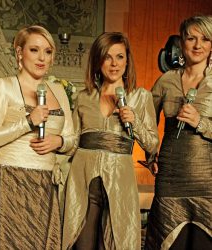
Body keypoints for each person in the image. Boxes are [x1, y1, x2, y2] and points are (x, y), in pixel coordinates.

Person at [0, 25, 75, 249]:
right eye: (34, 50)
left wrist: (59, 142)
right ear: (19, 52)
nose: (42, 58)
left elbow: (72, 138)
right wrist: (27, 122)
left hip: (45, 184)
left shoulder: (58, 91)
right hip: (10, 180)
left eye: (48, 51)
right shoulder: (4, 86)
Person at [62, 32, 159, 250]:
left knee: (116, 243)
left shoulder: (141, 97)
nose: (114, 64)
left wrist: (135, 123)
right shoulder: (83, 97)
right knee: (81, 244)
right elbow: (73, 141)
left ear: (127, 60)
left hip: (120, 185)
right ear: (98, 61)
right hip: (82, 184)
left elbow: (152, 144)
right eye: (107, 57)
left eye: (120, 57)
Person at [144, 15, 212, 250]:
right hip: (170, 179)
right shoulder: (165, 81)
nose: (197, 45)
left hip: (207, 183)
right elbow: (147, 124)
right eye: (191, 38)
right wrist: (151, 154)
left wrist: (200, 121)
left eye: (205, 39)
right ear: (181, 43)